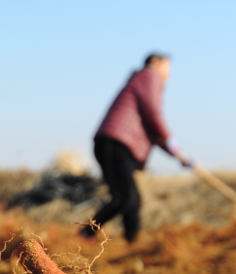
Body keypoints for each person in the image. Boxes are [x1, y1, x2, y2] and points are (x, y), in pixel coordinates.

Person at [81, 53, 193, 243]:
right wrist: (172, 144)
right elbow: (153, 114)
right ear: (155, 63)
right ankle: (87, 235)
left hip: (117, 145)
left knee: (129, 200)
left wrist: (176, 154)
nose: (169, 74)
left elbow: (152, 130)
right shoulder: (149, 75)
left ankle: (130, 242)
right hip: (115, 143)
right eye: (168, 67)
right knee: (127, 198)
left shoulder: (144, 81)